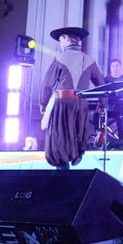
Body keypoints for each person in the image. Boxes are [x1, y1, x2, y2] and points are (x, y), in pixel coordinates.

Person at [39, 26, 104, 168]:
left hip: (62, 104)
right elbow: (101, 85)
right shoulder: (89, 60)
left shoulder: (59, 58)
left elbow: (46, 85)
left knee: (59, 140)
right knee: (78, 133)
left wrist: (43, 103)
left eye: (61, 40)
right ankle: (79, 151)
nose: (60, 44)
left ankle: (62, 175)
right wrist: (102, 104)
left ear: (67, 39)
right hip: (81, 104)